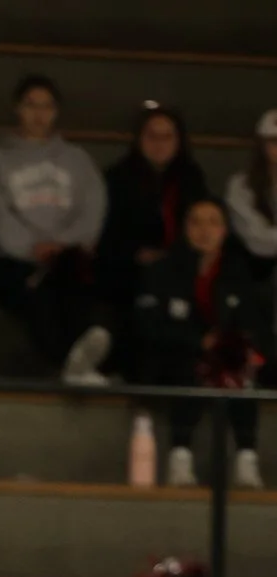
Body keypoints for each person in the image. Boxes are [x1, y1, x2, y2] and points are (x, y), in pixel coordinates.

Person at [0, 74, 109, 384]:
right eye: (31, 105)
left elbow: (93, 207)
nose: (39, 114)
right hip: (13, 259)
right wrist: (33, 247)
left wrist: (63, 246)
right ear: (18, 108)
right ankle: (69, 362)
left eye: (46, 106)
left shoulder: (77, 159)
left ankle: (77, 361)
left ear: (56, 112)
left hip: (66, 257)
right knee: (37, 295)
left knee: (78, 284)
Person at [134, 196, 267, 488]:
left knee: (242, 371)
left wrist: (230, 344)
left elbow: (253, 324)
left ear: (224, 230)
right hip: (176, 357)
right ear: (184, 228)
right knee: (191, 368)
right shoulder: (162, 270)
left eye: (213, 222)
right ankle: (180, 457)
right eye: (196, 222)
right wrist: (198, 342)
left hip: (226, 360)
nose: (204, 230)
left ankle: (246, 458)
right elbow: (149, 327)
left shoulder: (237, 272)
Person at [96, 102, 209, 377]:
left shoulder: (191, 178)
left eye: (167, 136)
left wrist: (173, 256)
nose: (160, 143)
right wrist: (136, 254)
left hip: (181, 265)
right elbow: (106, 234)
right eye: (152, 136)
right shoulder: (117, 178)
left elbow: (200, 227)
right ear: (139, 139)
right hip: (129, 267)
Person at [224, 110, 277, 284]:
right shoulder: (241, 185)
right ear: (262, 146)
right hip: (256, 274)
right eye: (274, 141)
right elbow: (256, 241)